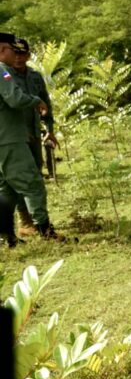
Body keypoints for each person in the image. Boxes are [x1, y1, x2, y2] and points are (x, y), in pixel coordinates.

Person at [0, 33, 62, 246]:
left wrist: (48, 128)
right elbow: (16, 99)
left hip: (19, 135)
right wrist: (35, 101)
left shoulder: (33, 76)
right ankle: (42, 229)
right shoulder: (3, 72)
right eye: (11, 50)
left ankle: (8, 237)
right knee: (32, 183)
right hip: (10, 138)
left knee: (7, 187)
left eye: (21, 53)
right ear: (3, 50)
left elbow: (45, 104)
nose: (15, 56)